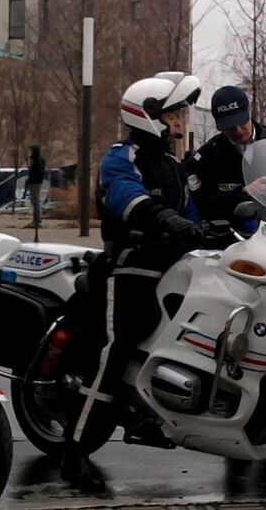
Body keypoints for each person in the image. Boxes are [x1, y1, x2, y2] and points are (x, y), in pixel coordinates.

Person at [59, 71, 218, 488]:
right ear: (149, 116)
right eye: (175, 113)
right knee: (114, 351)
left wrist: (219, 230)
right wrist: (167, 219)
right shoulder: (121, 156)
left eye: (182, 112)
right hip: (129, 270)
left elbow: (193, 220)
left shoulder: (174, 166)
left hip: (172, 273)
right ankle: (74, 455)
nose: (182, 120)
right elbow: (127, 198)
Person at [185, 85, 266, 224]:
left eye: (242, 122)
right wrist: (242, 193)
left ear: (250, 110)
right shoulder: (207, 158)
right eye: (229, 126)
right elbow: (202, 205)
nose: (238, 130)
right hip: (235, 237)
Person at [26, 145, 46, 229]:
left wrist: (32, 176)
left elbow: (38, 172)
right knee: (34, 201)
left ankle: (37, 220)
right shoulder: (34, 160)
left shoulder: (38, 161)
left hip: (35, 182)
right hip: (33, 181)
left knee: (35, 201)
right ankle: (35, 219)